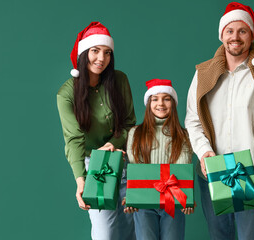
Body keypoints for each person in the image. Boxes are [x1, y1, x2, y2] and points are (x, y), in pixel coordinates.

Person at [185, 2, 254, 240]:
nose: (235, 37)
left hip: (248, 171)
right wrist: (204, 152)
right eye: (230, 31)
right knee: (220, 236)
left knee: (252, 237)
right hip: (212, 170)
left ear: (251, 36)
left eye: (242, 31)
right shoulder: (203, 73)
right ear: (222, 35)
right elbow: (192, 120)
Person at [57, 22, 136, 240]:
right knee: (105, 233)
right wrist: (81, 180)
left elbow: (129, 124)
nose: (101, 58)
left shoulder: (120, 80)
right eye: (95, 51)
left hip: (125, 159)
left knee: (131, 229)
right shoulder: (66, 94)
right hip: (95, 167)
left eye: (107, 53)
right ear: (84, 53)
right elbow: (73, 140)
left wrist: (114, 143)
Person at [123, 79, 194, 240]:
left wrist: (186, 198)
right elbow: (135, 167)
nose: (160, 103)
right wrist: (132, 197)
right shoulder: (136, 133)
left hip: (173, 202)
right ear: (148, 103)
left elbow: (183, 167)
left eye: (166, 98)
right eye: (155, 99)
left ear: (173, 103)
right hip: (144, 202)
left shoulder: (183, 135)